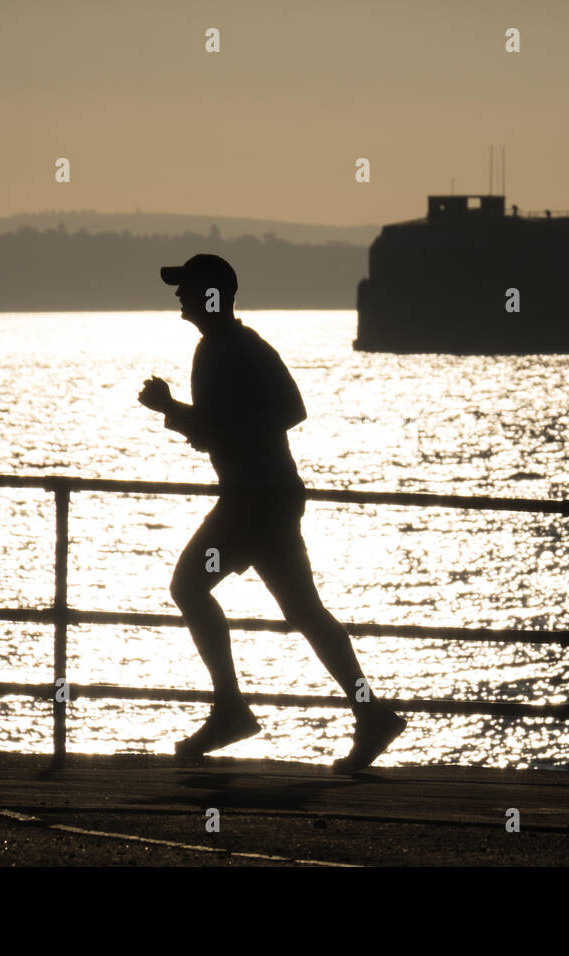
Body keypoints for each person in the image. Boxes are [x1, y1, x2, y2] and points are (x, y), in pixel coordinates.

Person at [139, 253, 406, 772]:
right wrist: (183, 415)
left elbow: (289, 411)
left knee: (190, 587)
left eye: (186, 288)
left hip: (255, 501)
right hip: (262, 497)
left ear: (211, 295)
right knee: (304, 610)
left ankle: (232, 709)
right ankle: (369, 714)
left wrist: (172, 410)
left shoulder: (236, 348)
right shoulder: (219, 349)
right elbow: (221, 427)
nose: (179, 296)